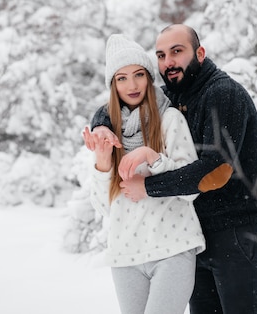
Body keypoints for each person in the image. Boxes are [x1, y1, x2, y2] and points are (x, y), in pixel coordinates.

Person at [86, 24, 257, 314]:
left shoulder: (221, 94)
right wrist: (102, 124)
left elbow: (216, 171)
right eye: (161, 55)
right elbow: (125, 96)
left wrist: (148, 186)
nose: (169, 62)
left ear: (199, 53)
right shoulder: (176, 94)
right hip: (201, 236)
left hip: (239, 231)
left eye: (177, 52)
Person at [84, 33, 205, 314]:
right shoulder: (107, 131)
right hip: (126, 255)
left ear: (149, 76)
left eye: (138, 74)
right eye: (122, 78)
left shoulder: (170, 120)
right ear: (113, 85)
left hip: (172, 248)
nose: (132, 84)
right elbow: (104, 207)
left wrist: (154, 159)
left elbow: (192, 188)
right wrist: (103, 162)